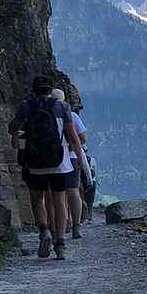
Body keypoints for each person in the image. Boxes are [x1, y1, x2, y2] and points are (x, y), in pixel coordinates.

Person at [9, 75, 89, 260]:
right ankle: (59, 243)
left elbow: (12, 128)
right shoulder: (62, 107)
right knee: (59, 201)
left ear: (34, 89)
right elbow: (72, 135)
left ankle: (44, 231)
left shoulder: (26, 106)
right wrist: (78, 156)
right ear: (49, 89)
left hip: (34, 162)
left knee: (37, 199)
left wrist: (18, 130)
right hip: (59, 163)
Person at [50, 89, 87, 238]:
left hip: (51, 159)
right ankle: (76, 226)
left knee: (57, 195)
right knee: (73, 191)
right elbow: (83, 137)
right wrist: (75, 151)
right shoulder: (71, 115)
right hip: (70, 157)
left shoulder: (43, 114)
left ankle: (61, 226)